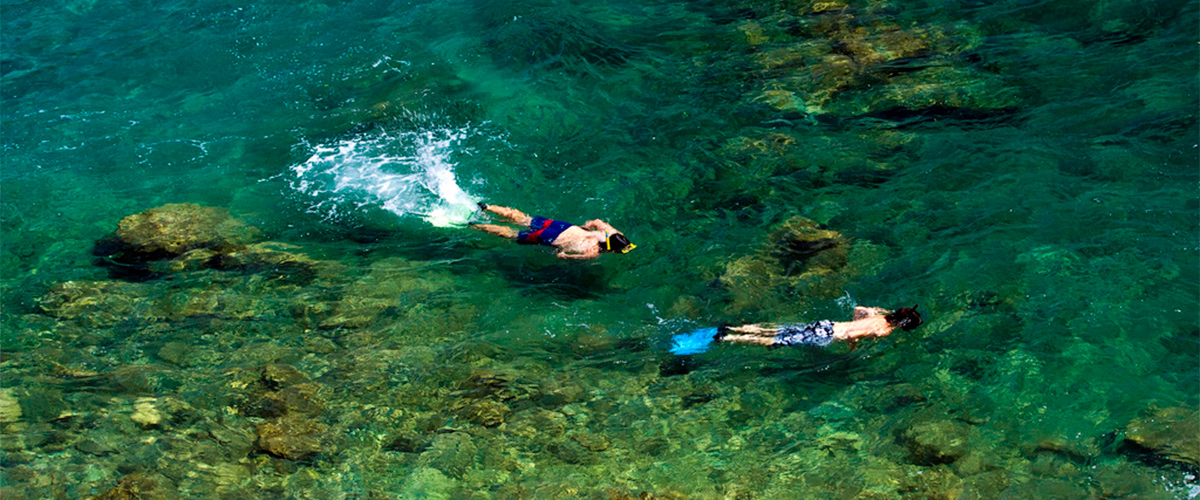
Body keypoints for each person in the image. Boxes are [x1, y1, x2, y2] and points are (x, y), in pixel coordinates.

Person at [669, 305, 921, 355]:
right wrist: (852, 347)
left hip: (828, 324)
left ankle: (736, 327)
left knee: (781, 329)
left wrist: (852, 325)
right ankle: (730, 336)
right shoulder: (884, 330)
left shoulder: (878, 312)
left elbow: (857, 309)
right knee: (778, 341)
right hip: (829, 335)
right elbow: (854, 335)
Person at [470, 202, 635, 260]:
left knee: (524, 219)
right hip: (551, 237)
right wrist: (563, 255)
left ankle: (488, 207)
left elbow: (596, 221)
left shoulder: (611, 232)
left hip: (562, 226)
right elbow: (562, 256)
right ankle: (475, 225)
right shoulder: (593, 252)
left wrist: (587, 225)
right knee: (512, 234)